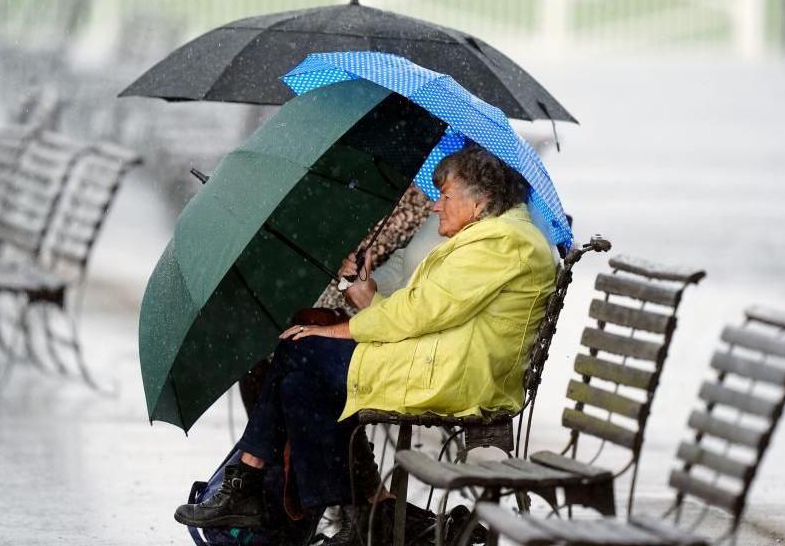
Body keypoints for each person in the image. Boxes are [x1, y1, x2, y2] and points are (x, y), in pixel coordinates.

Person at [173, 145, 557, 536]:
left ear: (482, 201)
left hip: (452, 376)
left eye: (445, 197)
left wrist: (336, 329)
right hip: (441, 362)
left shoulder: (504, 243)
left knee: (300, 350)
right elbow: (426, 308)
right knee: (300, 369)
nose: (436, 206)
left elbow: (421, 312)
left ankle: (261, 488)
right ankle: (364, 510)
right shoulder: (496, 236)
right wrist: (365, 298)